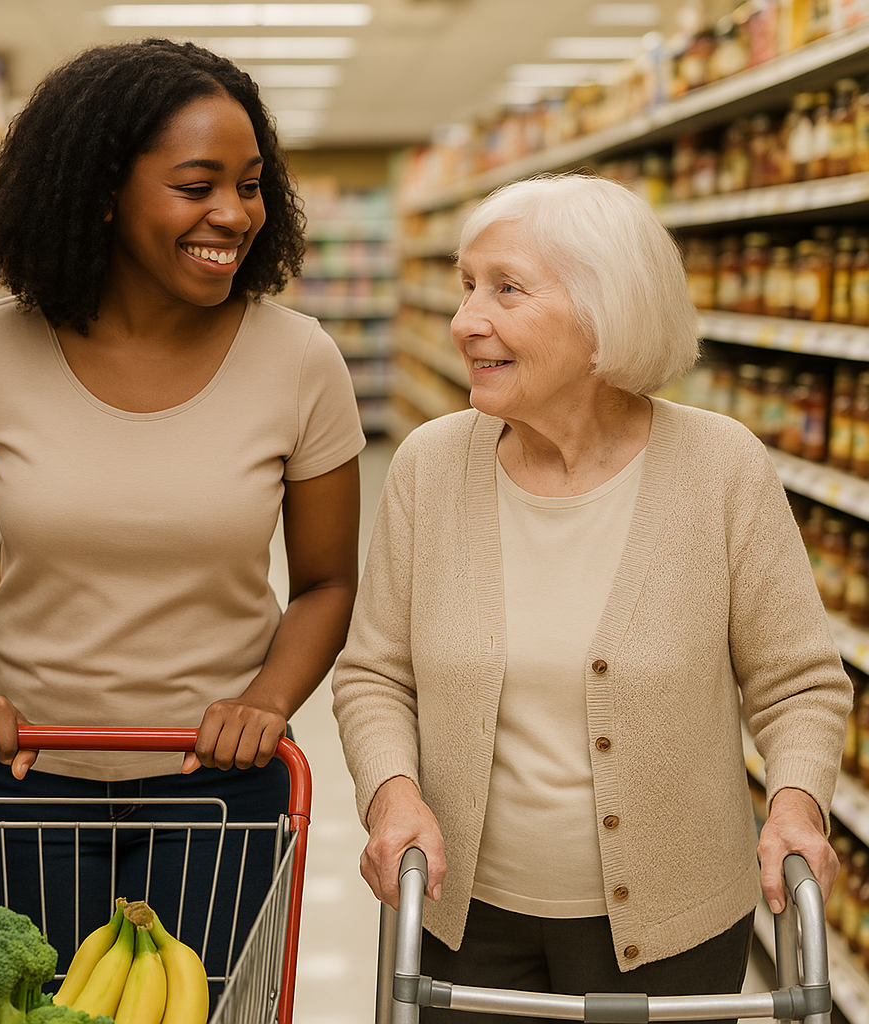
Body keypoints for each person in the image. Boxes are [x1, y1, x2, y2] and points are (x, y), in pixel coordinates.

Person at [0, 37, 364, 986]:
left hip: (219, 792)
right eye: (197, 185)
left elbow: (328, 583)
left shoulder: (300, 361)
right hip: (28, 785)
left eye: (252, 183)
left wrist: (266, 703)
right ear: (103, 190)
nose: (234, 213)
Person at [331, 172, 851, 1021]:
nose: (466, 320)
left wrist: (796, 802)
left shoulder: (721, 467)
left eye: (506, 288)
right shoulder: (429, 466)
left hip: (676, 928)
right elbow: (374, 674)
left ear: (607, 313)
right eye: (466, 285)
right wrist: (392, 793)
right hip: (462, 921)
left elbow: (800, 682)